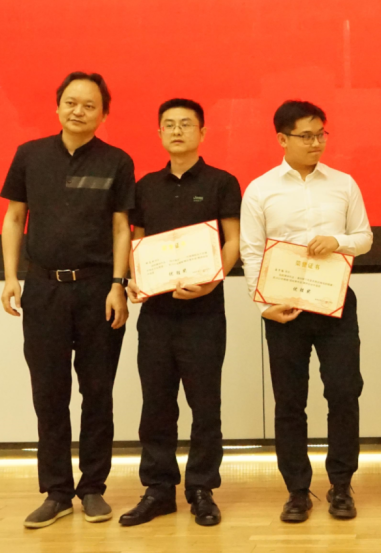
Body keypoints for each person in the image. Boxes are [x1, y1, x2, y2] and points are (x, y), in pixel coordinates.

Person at [0, 71, 134, 528]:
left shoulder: (117, 161)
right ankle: (56, 491)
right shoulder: (29, 155)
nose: (79, 111)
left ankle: (92, 487)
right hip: (44, 289)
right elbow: (14, 218)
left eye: (89, 105)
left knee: (98, 392)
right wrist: (10, 278)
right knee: (49, 393)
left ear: (103, 113)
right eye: (71, 102)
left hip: (98, 290)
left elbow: (121, 228)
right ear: (57, 106)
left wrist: (118, 284)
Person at [240, 100, 372, 522]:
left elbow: (364, 237)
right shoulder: (260, 189)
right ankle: (297, 490)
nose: (317, 143)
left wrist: (338, 241)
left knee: (344, 392)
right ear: (282, 139)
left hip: (335, 303)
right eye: (306, 136)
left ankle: (341, 484)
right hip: (285, 308)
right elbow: (251, 251)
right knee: (289, 401)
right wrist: (263, 305)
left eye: (321, 134)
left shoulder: (343, 184)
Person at [118, 99, 241, 527]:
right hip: (156, 314)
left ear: (202, 132)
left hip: (204, 312)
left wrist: (212, 281)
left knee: (205, 405)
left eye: (186, 124)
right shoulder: (145, 186)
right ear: (159, 133)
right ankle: (158, 489)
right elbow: (137, 242)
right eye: (168, 125)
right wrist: (134, 278)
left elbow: (232, 240)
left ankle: (202, 489)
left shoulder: (222, 182)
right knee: (156, 404)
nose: (177, 131)